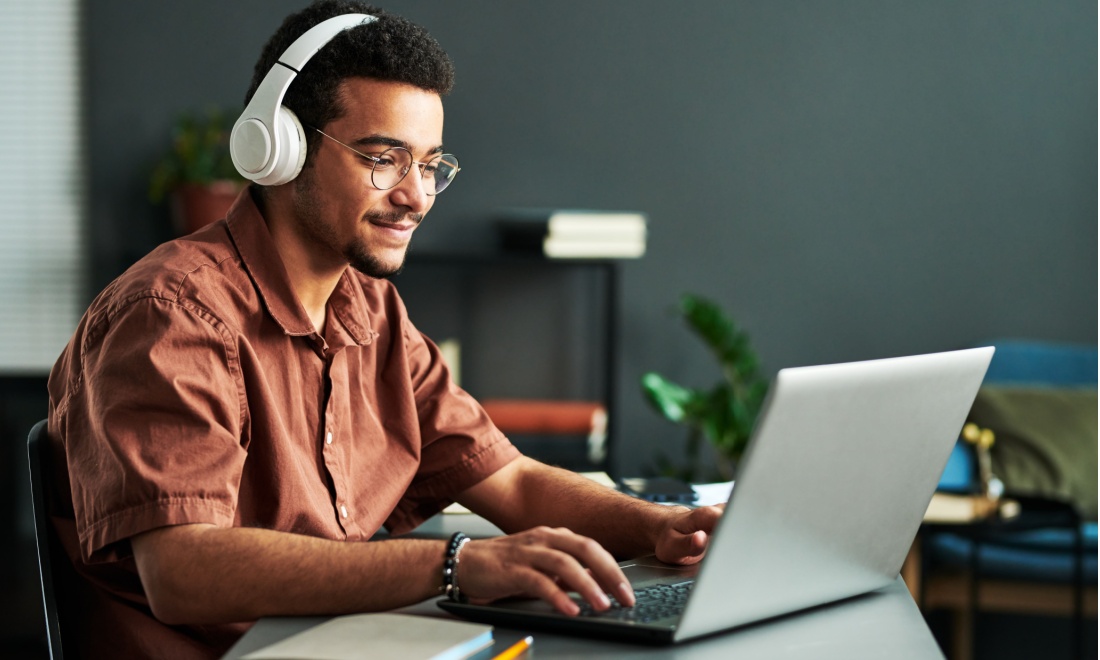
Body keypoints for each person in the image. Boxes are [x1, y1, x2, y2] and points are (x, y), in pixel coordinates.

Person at [46, 2, 721, 657]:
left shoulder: (371, 311)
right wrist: (457, 566)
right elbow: (181, 569)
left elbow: (508, 482)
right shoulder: (170, 313)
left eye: (429, 165)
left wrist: (664, 529)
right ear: (279, 149)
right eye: (383, 158)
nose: (416, 195)